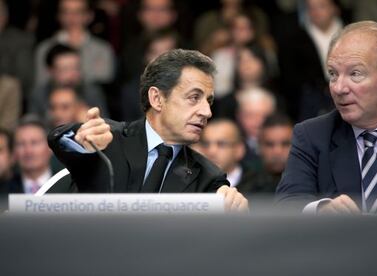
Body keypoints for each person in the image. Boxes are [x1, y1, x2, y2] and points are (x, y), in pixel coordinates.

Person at [48, 49, 248, 211]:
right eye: (194, 97)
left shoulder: (208, 177)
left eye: (209, 101)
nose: (207, 111)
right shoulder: (109, 139)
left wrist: (234, 206)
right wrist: (83, 142)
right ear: (157, 99)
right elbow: (60, 139)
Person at [276, 21, 377, 215]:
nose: (339, 88)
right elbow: (287, 205)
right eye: (333, 74)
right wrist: (321, 210)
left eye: (355, 74)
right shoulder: (313, 136)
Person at [197, 119, 258, 195]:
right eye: (206, 144)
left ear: (239, 149)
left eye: (221, 144)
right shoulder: (191, 183)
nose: (211, 151)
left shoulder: (260, 186)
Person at [257, 113, 293, 193]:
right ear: (259, 146)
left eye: (285, 144)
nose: (277, 152)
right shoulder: (245, 187)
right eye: (269, 144)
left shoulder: (310, 185)